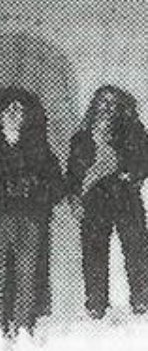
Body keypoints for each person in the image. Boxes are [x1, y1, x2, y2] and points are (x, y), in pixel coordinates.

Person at [0, 88, 63, 345]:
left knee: (27, 272)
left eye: (18, 110)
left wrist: (36, 193)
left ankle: (23, 327)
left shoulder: (38, 147)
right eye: (8, 110)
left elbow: (56, 184)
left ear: (25, 117)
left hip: (29, 218)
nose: (13, 114)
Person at [67, 85, 148, 319]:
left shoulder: (132, 130)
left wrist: (131, 174)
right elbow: (72, 173)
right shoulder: (81, 137)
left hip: (125, 196)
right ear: (95, 104)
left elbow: (144, 159)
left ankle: (142, 300)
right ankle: (96, 303)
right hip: (94, 199)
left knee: (136, 247)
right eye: (102, 101)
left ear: (120, 105)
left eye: (112, 102)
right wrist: (74, 198)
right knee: (93, 251)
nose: (107, 106)